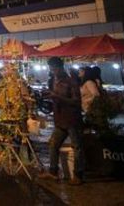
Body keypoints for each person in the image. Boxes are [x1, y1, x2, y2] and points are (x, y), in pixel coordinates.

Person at [40, 57, 84, 185]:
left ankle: (78, 175)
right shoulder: (53, 80)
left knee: (77, 147)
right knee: (53, 144)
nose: (53, 71)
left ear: (60, 67)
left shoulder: (71, 81)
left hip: (72, 119)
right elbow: (55, 97)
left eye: (54, 68)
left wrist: (56, 96)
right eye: (51, 69)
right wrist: (49, 96)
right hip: (59, 119)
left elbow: (76, 101)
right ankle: (53, 171)